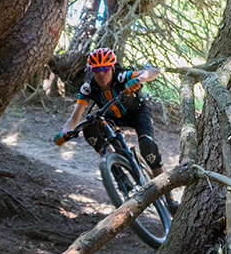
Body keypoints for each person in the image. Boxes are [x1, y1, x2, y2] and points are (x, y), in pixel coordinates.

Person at [55, 47, 178, 215]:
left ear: (112, 68)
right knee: (89, 128)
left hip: (137, 113)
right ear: (92, 71)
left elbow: (153, 71)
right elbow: (74, 118)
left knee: (149, 150)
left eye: (105, 68)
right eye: (97, 69)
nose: (101, 74)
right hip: (112, 118)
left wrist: (138, 79)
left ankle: (170, 200)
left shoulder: (121, 76)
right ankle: (116, 168)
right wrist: (64, 133)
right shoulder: (88, 88)